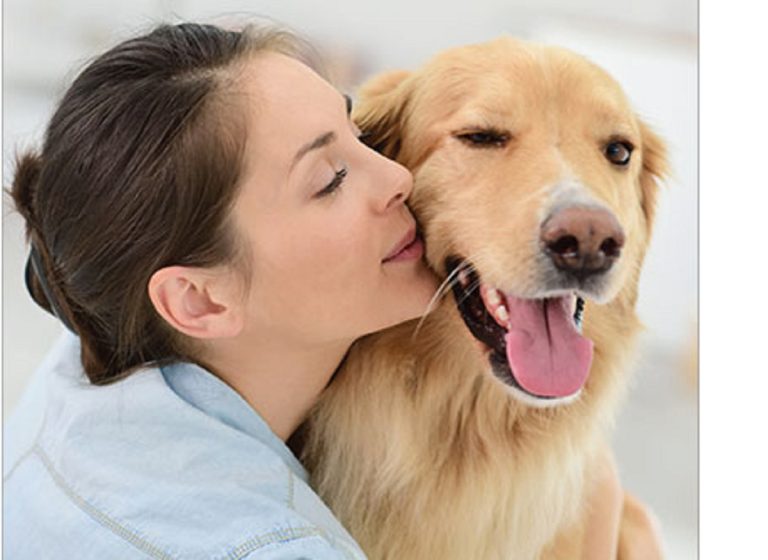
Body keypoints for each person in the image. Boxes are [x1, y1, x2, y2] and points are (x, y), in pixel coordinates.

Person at [3, 21, 630, 559]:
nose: (397, 174)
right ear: (199, 299)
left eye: (358, 135)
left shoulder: (93, 339)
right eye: (330, 178)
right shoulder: (272, 543)